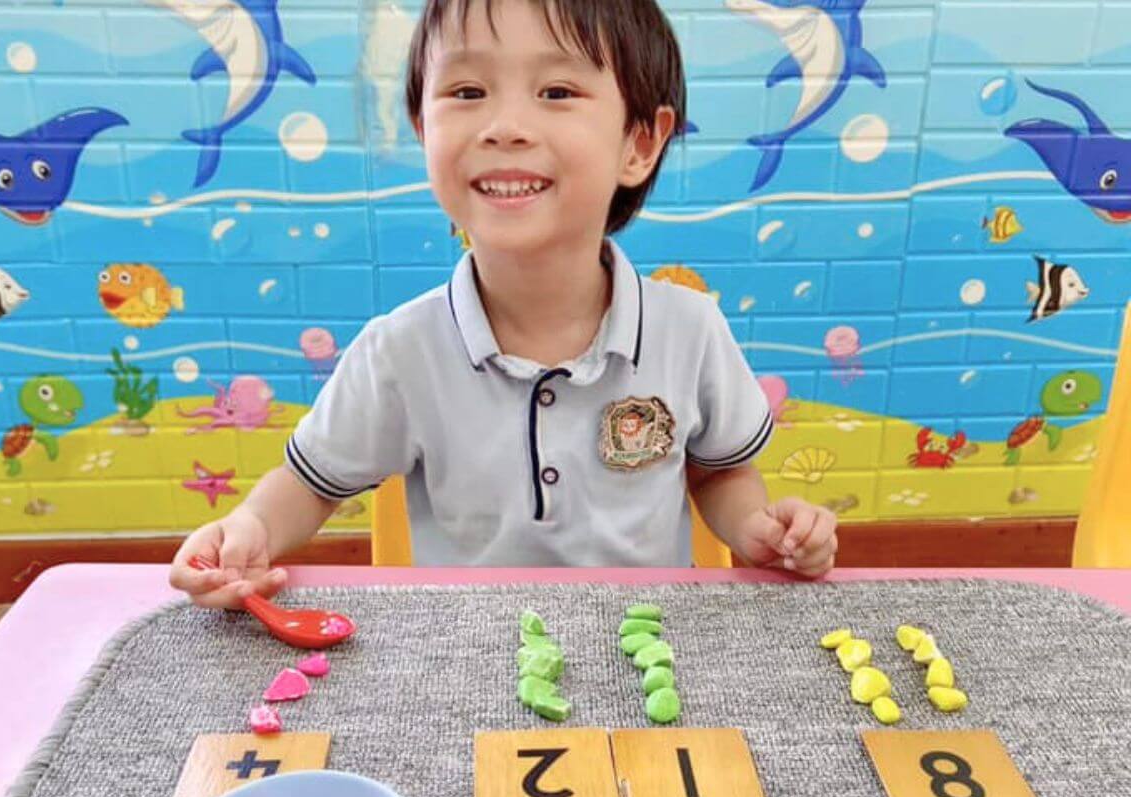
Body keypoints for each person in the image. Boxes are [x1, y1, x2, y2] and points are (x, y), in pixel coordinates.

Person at [169, 0, 838, 609]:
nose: (505, 125)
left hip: (648, 654)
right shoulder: (400, 349)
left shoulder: (690, 330)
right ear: (422, 126)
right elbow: (311, 482)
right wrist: (249, 528)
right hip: (467, 663)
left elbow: (720, 474)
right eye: (466, 91)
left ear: (640, 142)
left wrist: (759, 529)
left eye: (557, 91)